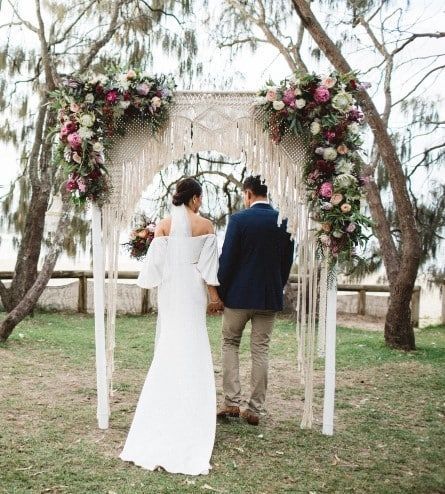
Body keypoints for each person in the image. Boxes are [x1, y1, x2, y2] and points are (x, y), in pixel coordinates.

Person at [119, 177, 223, 475]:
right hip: (191, 291)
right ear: (194, 198)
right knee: (193, 343)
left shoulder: (163, 226)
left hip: (170, 291)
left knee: (170, 345)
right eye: (200, 198)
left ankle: (163, 407)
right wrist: (214, 298)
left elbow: (153, 270)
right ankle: (192, 413)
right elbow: (208, 270)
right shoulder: (206, 226)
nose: (201, 203)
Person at [217, 175, 294, 426]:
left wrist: (221, 292)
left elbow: (227, 260)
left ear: (248, 193)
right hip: (268, 297)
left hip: (238, 296)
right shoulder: (284, 221)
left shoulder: (239, 220)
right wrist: (275, 287)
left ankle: (231, 402)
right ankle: (255, 409)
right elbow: (286, 263)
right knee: (261, 350)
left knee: (230, 343)